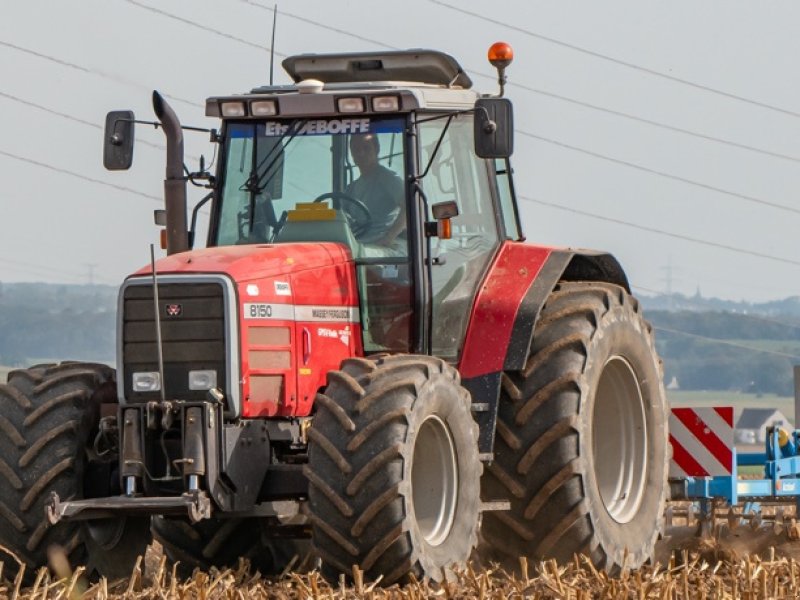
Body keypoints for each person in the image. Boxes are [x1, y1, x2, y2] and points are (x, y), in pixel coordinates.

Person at [345, 134, 406, 247]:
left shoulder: (389, 179)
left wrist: (389, 238)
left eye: (366, 148)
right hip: (356, 244)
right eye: (356, 149)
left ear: (377, 149)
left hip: (380, 247)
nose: (361, 153)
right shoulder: (350, 189)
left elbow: (409, 209)